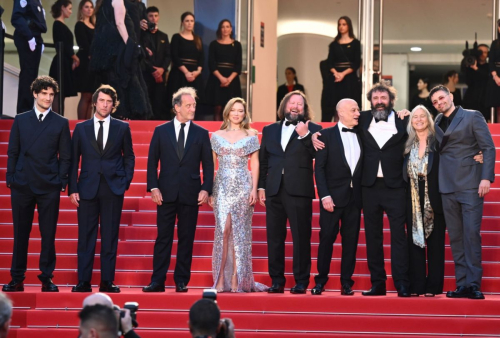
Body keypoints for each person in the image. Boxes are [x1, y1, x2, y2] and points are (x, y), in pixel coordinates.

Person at [3, 76, 71, 293]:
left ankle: (47, 277)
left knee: (48, 234)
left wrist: (61, 181)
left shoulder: (60, 122)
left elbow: (66, 156)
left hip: (48, 186)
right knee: (20, 233)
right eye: (44, 93)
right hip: (22, 185)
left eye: (51, 95)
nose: (48, 98)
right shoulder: (21, 120)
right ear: (35, 94)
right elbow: (12, 151)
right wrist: (11, 177)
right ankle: (17, 278)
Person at [143, 87, 214, 293]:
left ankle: (181, 280)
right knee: (163, 237)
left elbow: (208, 165)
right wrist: (153, 186)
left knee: (186, 238)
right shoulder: (161, 130)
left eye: (194, 105)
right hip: (165, 192)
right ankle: (157, 280)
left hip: (191, 193)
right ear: (177, 108)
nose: (192, 109)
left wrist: (205, 189)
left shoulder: (201, 133)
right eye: (188, 105)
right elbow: (151, 162)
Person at [430, 85, 495, 299]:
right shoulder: (437, 122)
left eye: (441, 98)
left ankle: (474, 284)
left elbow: (488, 147)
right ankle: (462, 284)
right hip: (446, 185)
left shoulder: (472, 116)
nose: (439, 103)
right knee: (456, 237)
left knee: (470, 235)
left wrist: (486, 177)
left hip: (470, 183)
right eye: (435, 102)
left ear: (450, 96)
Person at [69, 85, 135, 293]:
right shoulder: (81, 128)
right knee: (85, 236)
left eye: (109, 102)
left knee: (110, 236)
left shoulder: (122, 128)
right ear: (95, 102)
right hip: (87, 188)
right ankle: (83, 281)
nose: (105, 104)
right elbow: (73, 161)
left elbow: (129, 157)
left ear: (113, 105)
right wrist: (73, 188)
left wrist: (124, 182)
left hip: (113, 188)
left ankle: (107, 280)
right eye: (102, 101)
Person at [258, 90, 322, 294]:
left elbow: (317, 155)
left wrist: (305, 135)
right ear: (284, 106)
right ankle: (277, 280)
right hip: (274, 189)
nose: (295, 107)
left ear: (305, 108)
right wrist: (261, 186)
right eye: (292, 103)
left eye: (300, 104)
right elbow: (264, 161)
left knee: (301, 237)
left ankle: (301, 281)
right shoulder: (269, 130)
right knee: (274, 238)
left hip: (299, 190)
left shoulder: (314, 129)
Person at [209, 98, 267, 293]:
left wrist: (254, 189)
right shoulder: (216, 135)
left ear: (244, 114)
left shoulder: (251, 135)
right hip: (222, 187)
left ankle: (235, 278)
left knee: (239, 233)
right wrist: (210, 191)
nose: (236, 114)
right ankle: (219, 279)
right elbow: (211, 165)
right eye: (233, 110)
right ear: (227, 112)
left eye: (240, 111)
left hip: (243, 186)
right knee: (223, 232)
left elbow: (256, 163)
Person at [311, 99, 362, 296]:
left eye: (358, 109)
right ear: (340, 113)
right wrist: (324, 195)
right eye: (353, 110)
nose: (358, 113)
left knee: (351, 242)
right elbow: (319, 169)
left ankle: (346, 283)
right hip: (331, 198)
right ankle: (320, 281)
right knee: (326, 240)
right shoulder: (325, 135)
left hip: (354, 198)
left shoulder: (362, 133)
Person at [403, 105, 446, 297]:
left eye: (422, 116)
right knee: (414, 242)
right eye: (414, 117)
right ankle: (417, 285)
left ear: (429, 119)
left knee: (435, 243)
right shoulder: (406, 143)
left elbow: (455, 155)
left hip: (435, 195)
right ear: (411, 122)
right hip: (411, 196)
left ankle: (433, 287)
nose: (419, 119)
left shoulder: (439, 141)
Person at [90, 0, 152, 120]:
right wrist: (129, 43)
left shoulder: (103, 4)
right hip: (119, 51)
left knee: (113, 82)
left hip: (108, 52)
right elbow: (119, 23)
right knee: (124, 81)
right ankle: (122, 114)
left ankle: (116, 114)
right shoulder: (117, 0)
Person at [11, 0, 48, 115]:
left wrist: (39, 42)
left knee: (32, 77)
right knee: (28, 75)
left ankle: (28, 110)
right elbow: (16, 17)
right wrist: (29, 37)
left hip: (36, 37)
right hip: (27, 36)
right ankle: (23, 111)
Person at [323, 16, 361, 122]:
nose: (341, 27)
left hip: (349, 79)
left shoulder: (355, 43)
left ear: (349, 26)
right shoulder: (334, 45)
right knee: (333, 104)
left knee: (350, 104)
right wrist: (336, 73)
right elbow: (329, 62)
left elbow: (356, 63)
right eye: (339, 24)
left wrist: (343, 74)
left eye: (344, 24)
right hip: (335, 79)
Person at [166, 12, 204, 113]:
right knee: (178, 103)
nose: (189, 23)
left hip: (195, 76)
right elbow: (175, 56)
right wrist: (186, 72)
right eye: (187, 21)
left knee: (193, 104)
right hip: (179, 74)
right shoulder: (176, 37)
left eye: (191, 21)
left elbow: (201, 58)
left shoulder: (198, 39)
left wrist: (197, 72)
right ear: (182, 22)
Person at [206, 19, 242, 121]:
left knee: (232, 108)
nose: (225, 29)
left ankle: (230, 134)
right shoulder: (214, 44)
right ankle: (217, 133)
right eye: (223, 27)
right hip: (217, 79)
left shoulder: (237, 45)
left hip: (232, 80)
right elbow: (211, 64)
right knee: (218, 108)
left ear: (231, 29)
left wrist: (229, 80)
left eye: (227, 27)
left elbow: (238, 65)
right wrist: (221, 79)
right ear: (220, 29)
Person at [49, 0, 79, 116]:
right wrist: (75, 57)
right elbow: (63, 45)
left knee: (62, 94)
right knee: (58, 93)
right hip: (60, 62)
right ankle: (57, 119)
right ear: (63, 8)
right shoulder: (57, 24)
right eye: (70, 8)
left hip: (65, 61)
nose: (71, 12)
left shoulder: (61, 24)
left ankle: (60, 118)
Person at [140, 6, 171, 120]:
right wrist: (153, 71)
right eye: (151, 16)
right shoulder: (141, 35)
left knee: (159, 104)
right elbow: (141, 56)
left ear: (159, 17)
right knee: (147, 104)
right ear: (146, 18)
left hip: (160, 76)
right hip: (146, 75)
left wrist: (162, 69)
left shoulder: (164, 36)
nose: (153, 18)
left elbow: (168, 56)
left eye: (156, 16)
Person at [75, 0, 98, 120]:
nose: (89, 9)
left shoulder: (95, 26)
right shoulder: (79, 25)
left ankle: (88, 124)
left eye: (91, 7)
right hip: (85, 62)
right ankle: (81, 123)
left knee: (92, 96)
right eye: (86, 7)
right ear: (81, 9)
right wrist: (92, 54)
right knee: (86, 94)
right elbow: (83, 43)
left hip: (95, 63)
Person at [463, 44, 490, 121]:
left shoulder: (490, 67)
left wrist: (476, 69)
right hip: (471, 100)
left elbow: (487, 77)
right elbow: (467, 81)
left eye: (485, 52)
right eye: (480, 52)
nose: (482, 54)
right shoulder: (469, 64)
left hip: (485, 101)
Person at [487, 19, 500, 122]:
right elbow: (491, 61)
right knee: (497, 104)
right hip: (497, 74)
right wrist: (495, 76)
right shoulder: (495, 43)